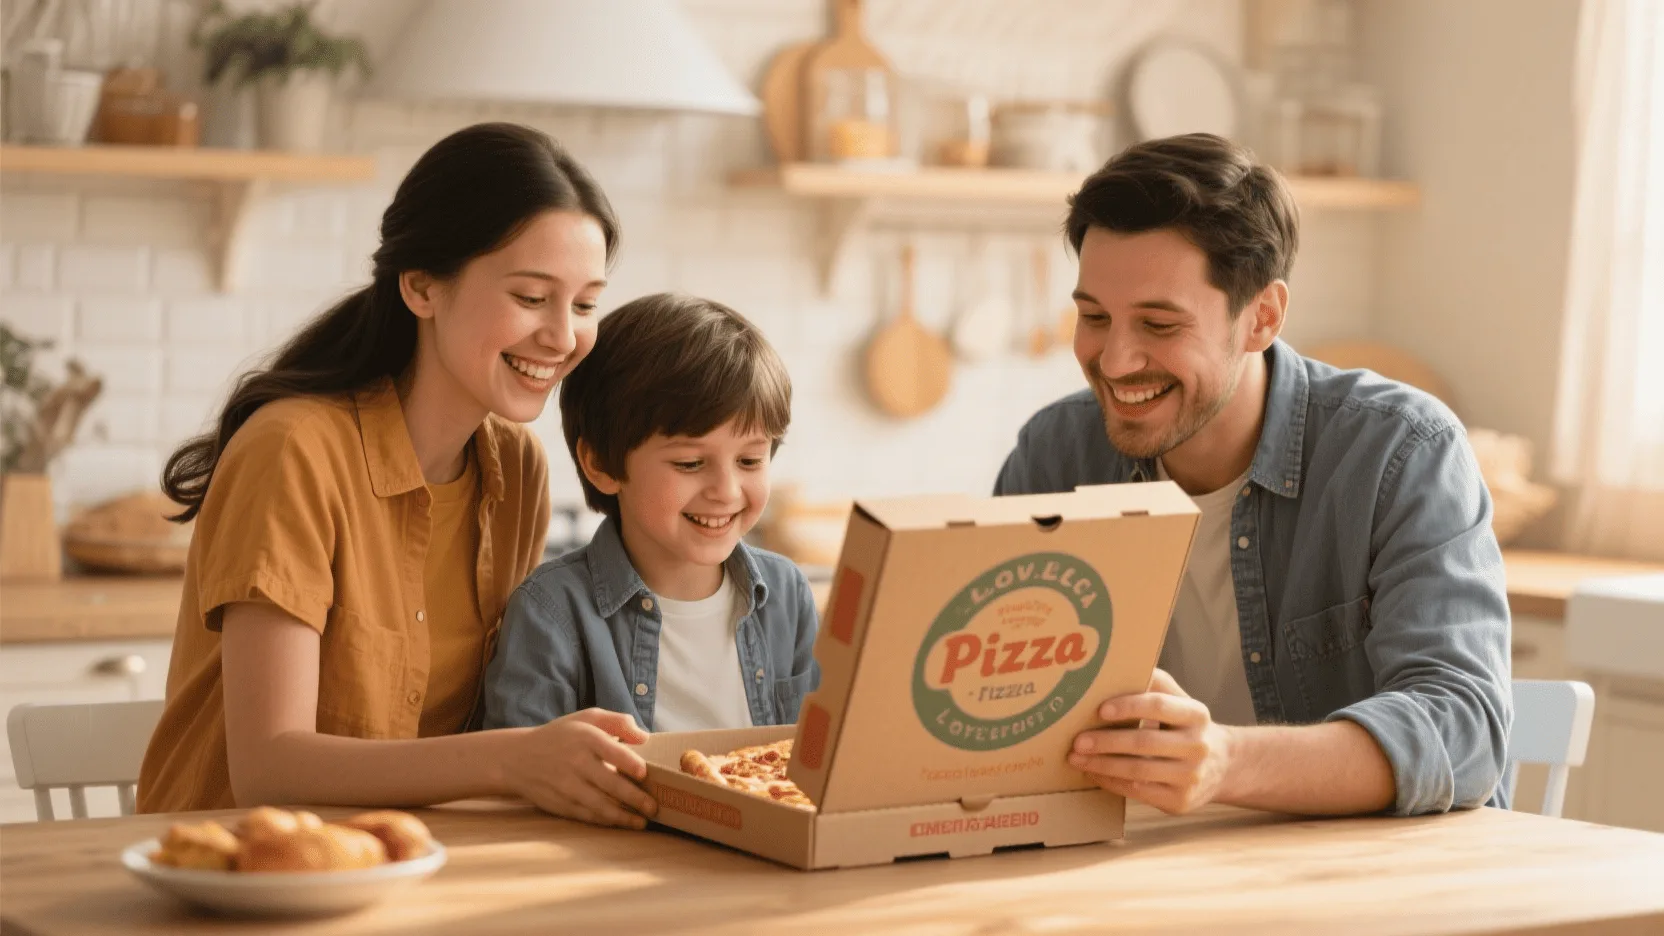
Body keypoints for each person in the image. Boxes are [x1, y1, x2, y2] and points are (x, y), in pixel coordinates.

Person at [139, 122, 660, 831]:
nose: (564, 336)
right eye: (532, 297)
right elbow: (268, 767)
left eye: (585, 303)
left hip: (411, 865)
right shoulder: (293, 450)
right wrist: (512, 760)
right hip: (233, 876)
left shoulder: (516, 468)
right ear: (421, 287)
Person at [995, 133, 1511, 817]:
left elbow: (1464, 731)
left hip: (1370, 887)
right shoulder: (1056, 455)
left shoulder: (1400, 452)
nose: (1115, 361)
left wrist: (1223, 764)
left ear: (1261, 317)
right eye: (1094, 317)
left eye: (1158, 323)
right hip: (1149, 872)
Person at [483, 293, 819, 744]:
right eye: (690, 464)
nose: (726, 491)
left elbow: (817, 762)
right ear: (601, 464)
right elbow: (523, 780)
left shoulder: (787, 595)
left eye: (750, 461)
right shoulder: (551, 612)